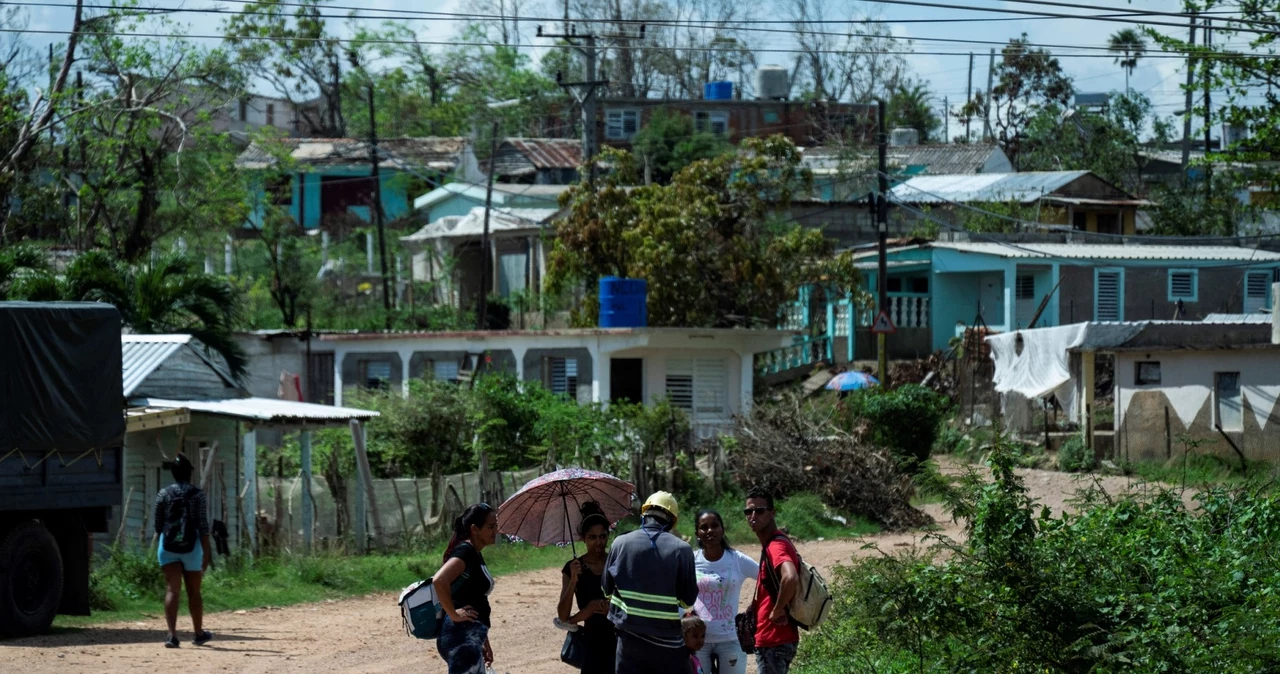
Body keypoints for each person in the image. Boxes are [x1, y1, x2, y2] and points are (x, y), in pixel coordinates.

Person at [603, 491, 698, 674]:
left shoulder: (620, 543)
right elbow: (687, 601)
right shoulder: (683, 549)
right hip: (668, 645)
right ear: (671, 521)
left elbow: (606, 590)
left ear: (644, 515)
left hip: (629, 641)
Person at [153, 453, 213, 649]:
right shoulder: (197, 495)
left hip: (168, 547)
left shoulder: (163, 494)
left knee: (172, 590)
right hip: (192, 548)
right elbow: (202, 526)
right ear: (190, 473)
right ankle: (198, 634)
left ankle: (172, 636)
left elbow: (158, 525)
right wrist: (207, 551)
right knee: (194, 591)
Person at [433, 503, 499, 674]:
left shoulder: (475, 553)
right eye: (491, 526)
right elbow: (439, 581)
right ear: (475, 529)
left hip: (470, 636)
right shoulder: (465, 551)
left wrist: (484, 642)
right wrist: (454, 614)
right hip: (460, 636)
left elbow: (474, 600)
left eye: (496, 526)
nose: (496, 531)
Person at [692, 509, 758, 674]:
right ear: (697, 533)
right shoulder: (690, 560)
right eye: (704, 527)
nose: (710, 531)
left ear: (723, 530)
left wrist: (756, 609)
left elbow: (766, 579)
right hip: (698, 641)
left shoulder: (737, 559)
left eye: (715, 526)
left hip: (730, 639)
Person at [745, 488, 801, 674]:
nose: (753, 516)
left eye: (759, 511)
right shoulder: (772, 543)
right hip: (775, 638)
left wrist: (777, 610)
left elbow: (790, 577)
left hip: (774, 638)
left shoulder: (776, 546)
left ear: (772, 512)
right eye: (748, 511)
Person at [557, 501, 616, 674]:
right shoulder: (572, 568)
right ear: (583, 538)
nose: (598, 542)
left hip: (619, 637)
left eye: (602, 536)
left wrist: (612, 610)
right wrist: (574, 579)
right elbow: (562, 615)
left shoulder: (616, 561)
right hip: (592, 642)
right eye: (592, 537)